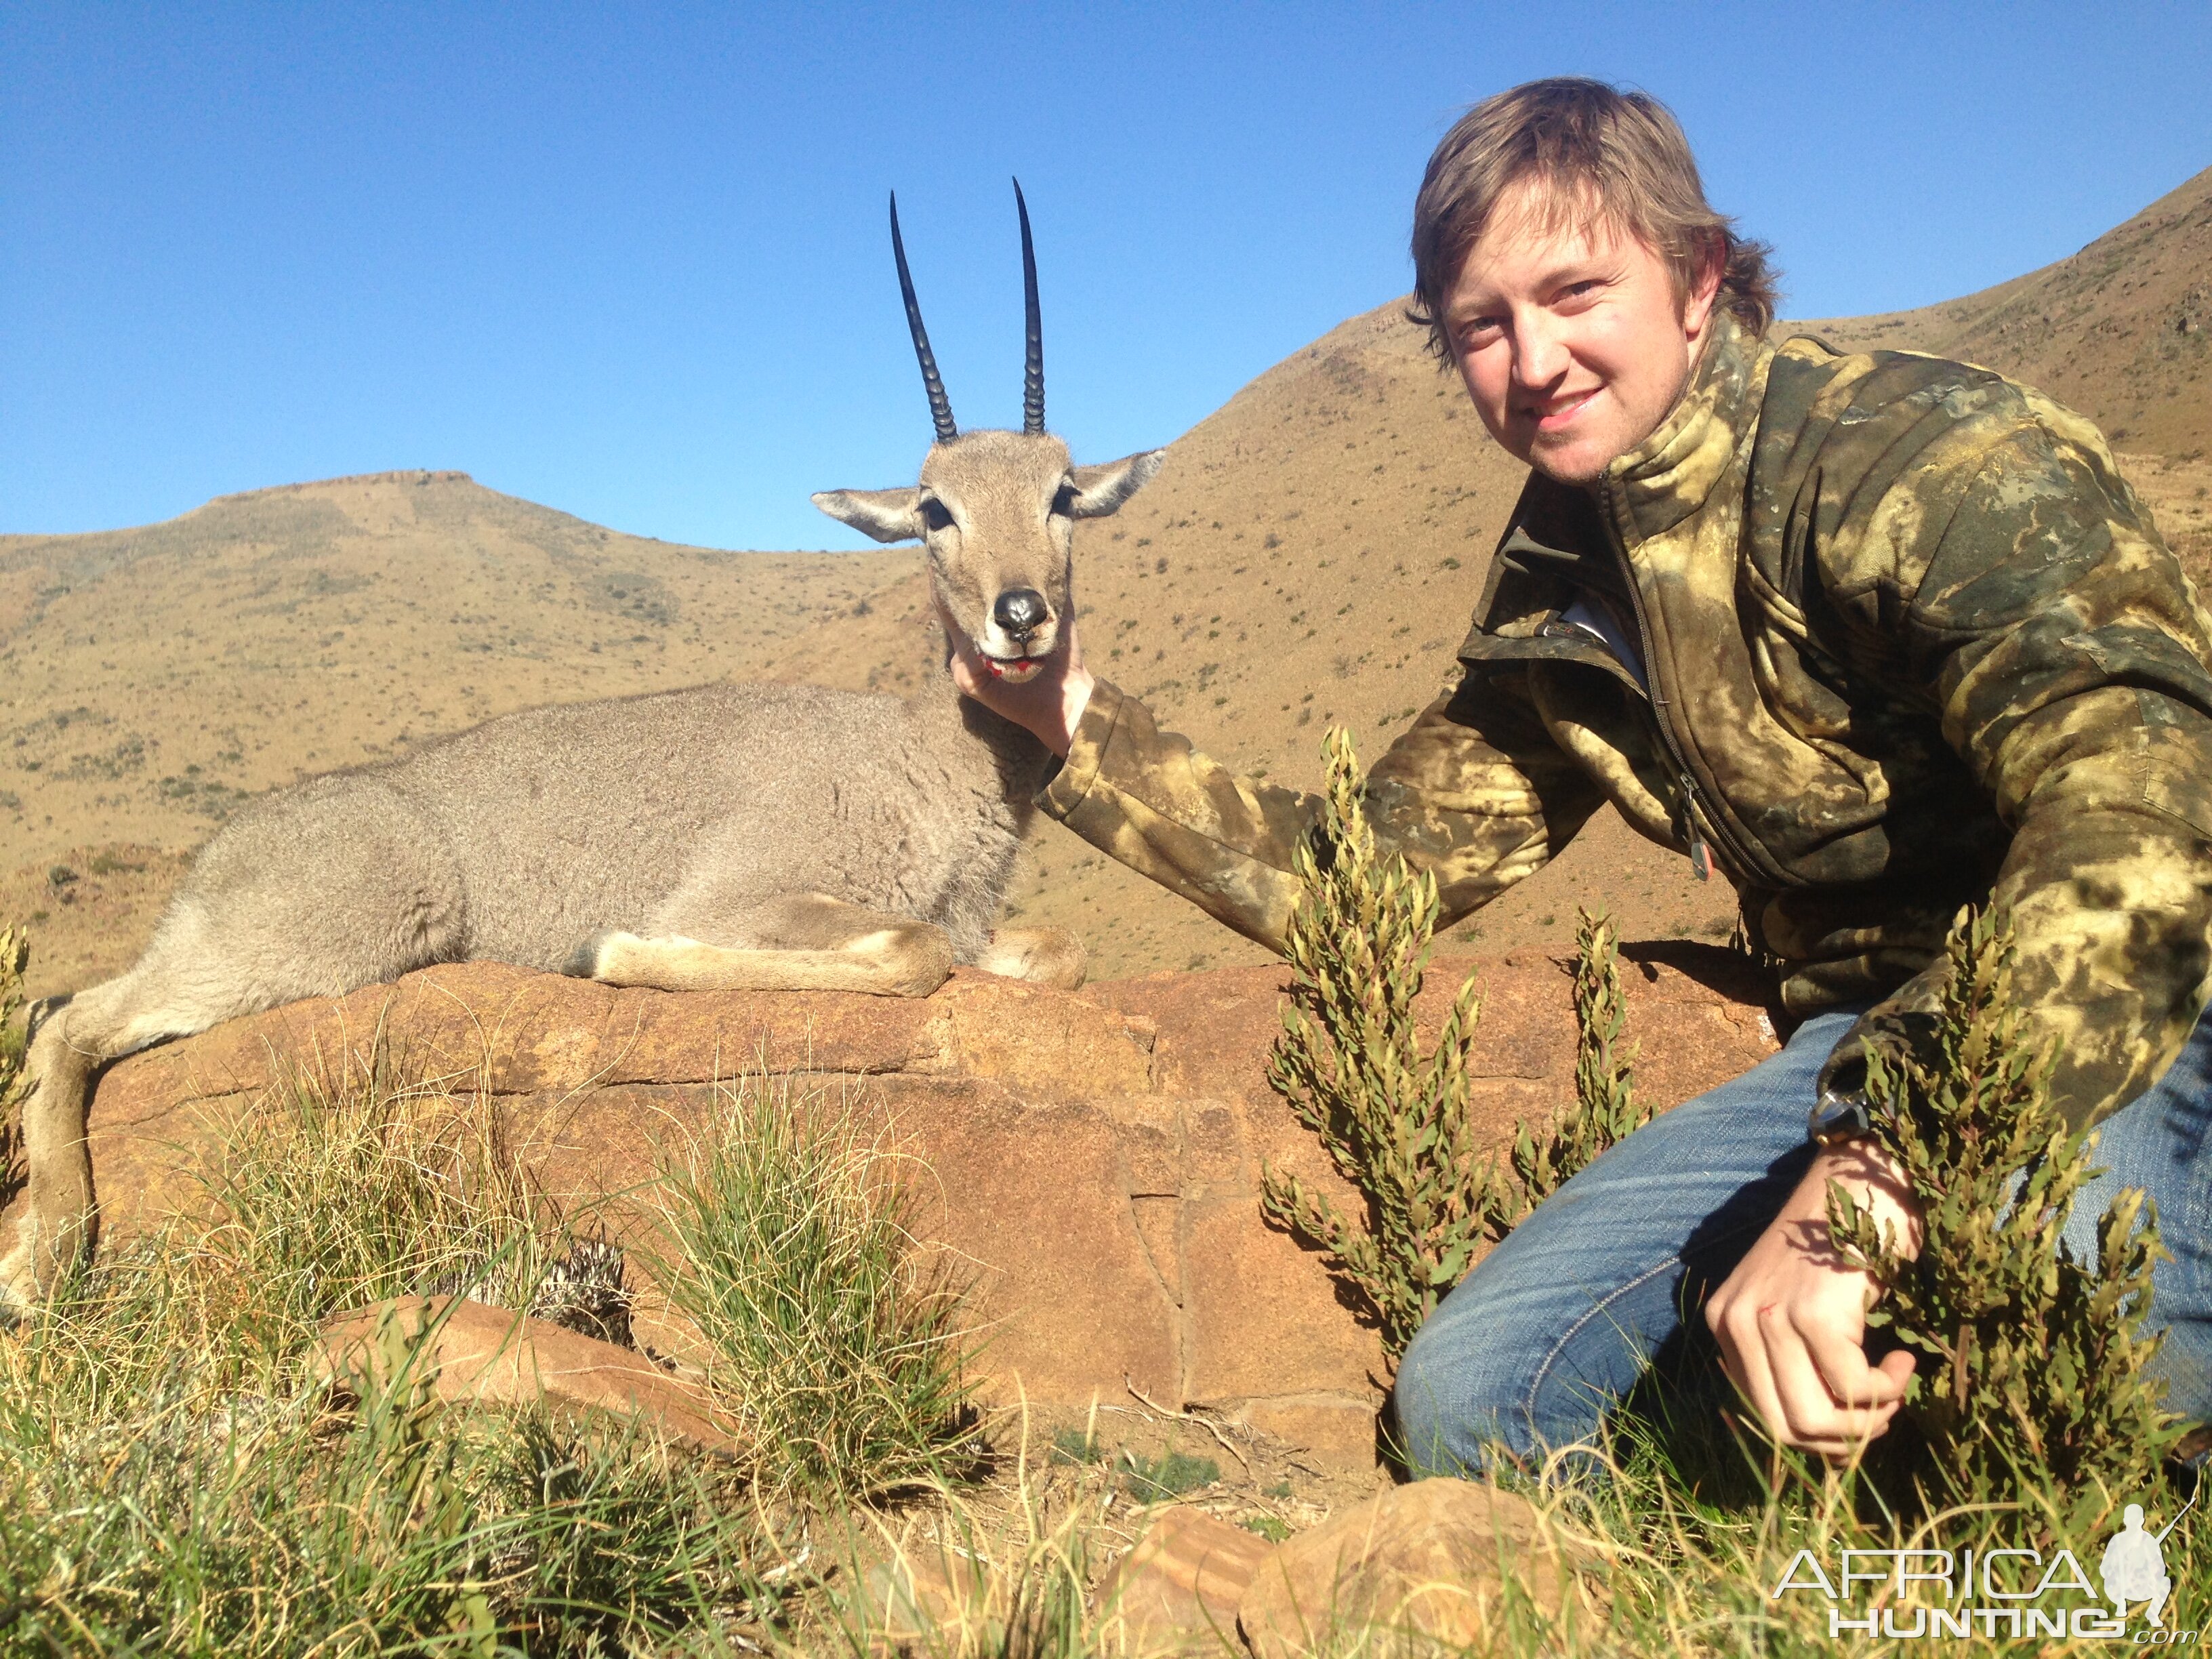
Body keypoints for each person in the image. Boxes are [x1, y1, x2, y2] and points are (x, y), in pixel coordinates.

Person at [943, 78, 2212, 1475]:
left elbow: (2154, 811)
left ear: (1698, 277)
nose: (1532, 359)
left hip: (2150, 1006)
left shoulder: (1919, 459)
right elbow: (1359, 887)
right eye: (1483, 325)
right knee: (1486, 1405)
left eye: (1574, 293)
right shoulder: (1567, 588)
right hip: (1851, 1052)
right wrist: (1068, 717)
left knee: (2084, 1374)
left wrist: (1875, 1173)